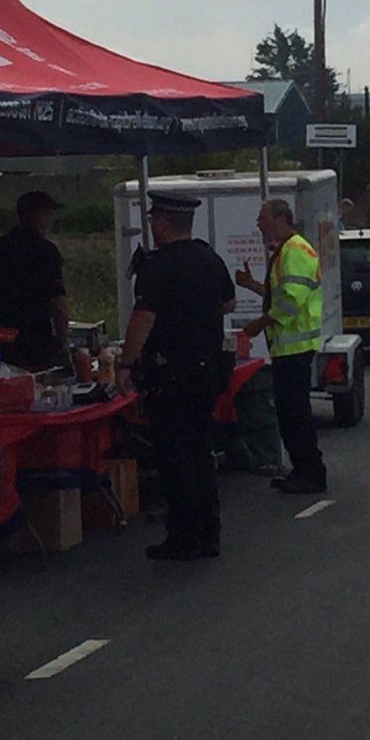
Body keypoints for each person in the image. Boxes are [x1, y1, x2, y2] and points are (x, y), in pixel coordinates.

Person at [116, 194, 235, 560]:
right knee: (200, 451)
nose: (151, 226)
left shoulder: (157, 266)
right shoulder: (208, 258)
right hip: (209, 371)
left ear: (163, 223)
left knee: (175, 456)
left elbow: (143, 320)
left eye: (153, 220)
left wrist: (125, 363)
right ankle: (209, 532)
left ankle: (184, 535)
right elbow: (228, 303)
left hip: (172, 374)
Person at [237, 197, 327, 496]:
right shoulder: (287, 250)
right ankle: (302, 470)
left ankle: (311, 473)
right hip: (287, 348)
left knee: (295, 414)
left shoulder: (296, 251)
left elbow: (289, 303)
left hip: (294, 348)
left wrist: (258, 325)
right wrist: (252, 285)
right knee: (290, 414)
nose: (259, 224)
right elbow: (282, 296)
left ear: (279, 218)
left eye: (263, 218)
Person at [0, 190, 70, 370]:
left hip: (2, 339)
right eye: (46, 214)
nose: (50, 219)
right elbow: (58, 304)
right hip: (37, 342)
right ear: (29, 215)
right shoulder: (46, 251)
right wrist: (63, 343)